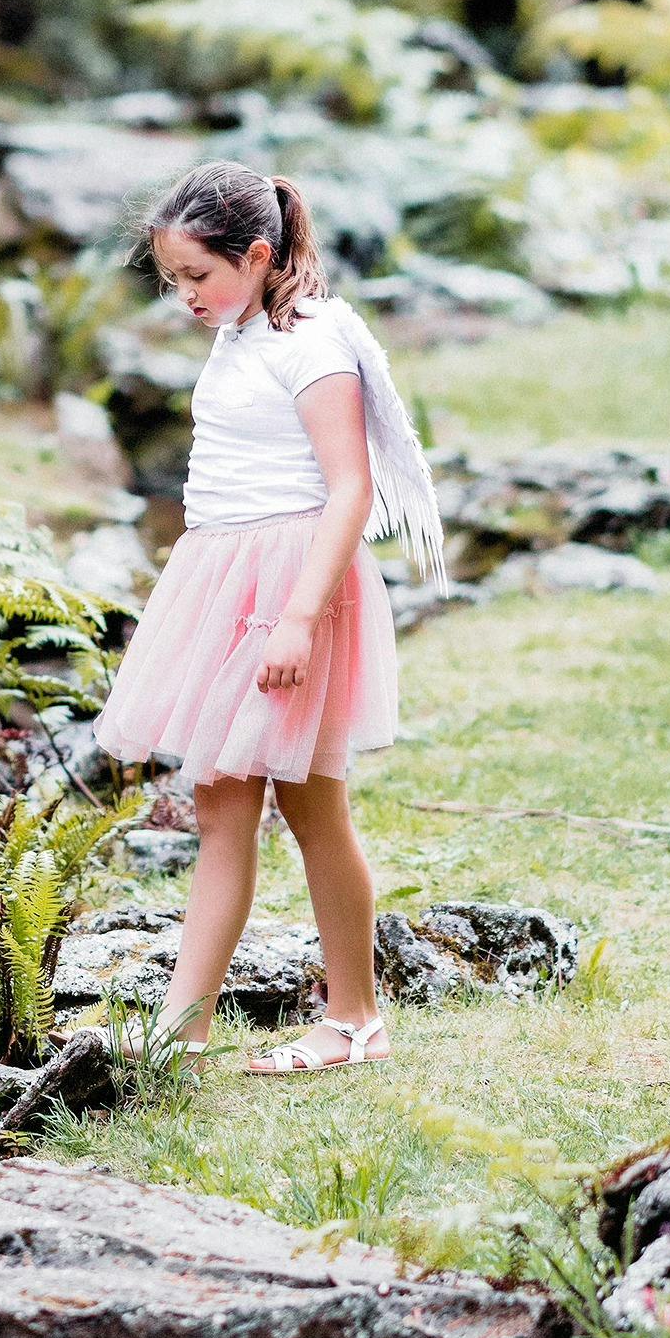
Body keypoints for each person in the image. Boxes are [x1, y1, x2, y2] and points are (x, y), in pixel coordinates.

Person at [93, 161, 443, 1076]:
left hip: (290, 584)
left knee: (312, 801)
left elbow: (350, 488)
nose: (185, 298)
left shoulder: (313, 341)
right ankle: (183, 1031)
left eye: (198, 277)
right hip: (220, 571)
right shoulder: (243, 327)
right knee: (219, 804)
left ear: (256, 254)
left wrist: (298, 617)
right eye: (173, 282)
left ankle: (355, 1017)